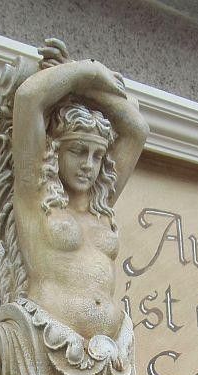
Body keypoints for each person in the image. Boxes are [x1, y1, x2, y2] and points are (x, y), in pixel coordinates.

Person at [12, 41, 149, 340]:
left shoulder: (102, 203)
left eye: (97, 156)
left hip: (110, 352)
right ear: (55, 151)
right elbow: (28, 98)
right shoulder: (37, 195)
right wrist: (88, 72)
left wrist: (84, 85)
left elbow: (137, 130)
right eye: (77, 151)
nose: (88, 165)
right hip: (52, 341)